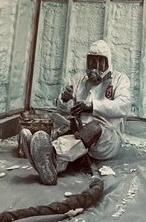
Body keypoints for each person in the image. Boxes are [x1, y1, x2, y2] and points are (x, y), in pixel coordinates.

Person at [20, 39, 131, 185]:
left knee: (94, 127)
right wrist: (64, 100)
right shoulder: (79, 80)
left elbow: (123, 106)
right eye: (91, 62)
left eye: (99, 62)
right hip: (78, 135)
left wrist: (91, 106)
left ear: (107, 63)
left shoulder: (119, 80)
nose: (94, 67)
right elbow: (63, 110)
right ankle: (48, 165)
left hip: (106, 139)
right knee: (66, 125)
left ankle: (53, 155)